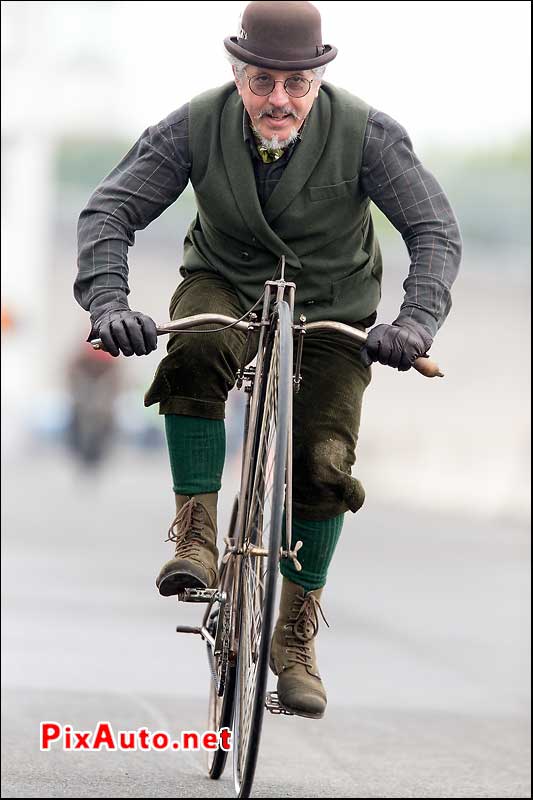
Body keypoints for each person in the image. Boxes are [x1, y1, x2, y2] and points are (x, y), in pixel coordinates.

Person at [75, 1, 462, 719]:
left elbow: (433, 230)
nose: (277, 99)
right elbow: (109, 212)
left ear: (318, 79)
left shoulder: (368, 134)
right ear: (236, 74)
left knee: (322, 458)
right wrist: (108, 304)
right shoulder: (193, 124)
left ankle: (294, 635)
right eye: (260, 82)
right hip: (223, 280)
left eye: (295, 84)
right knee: (191, 349)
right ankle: (196, 532)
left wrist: (413, 323)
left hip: (333, 304)